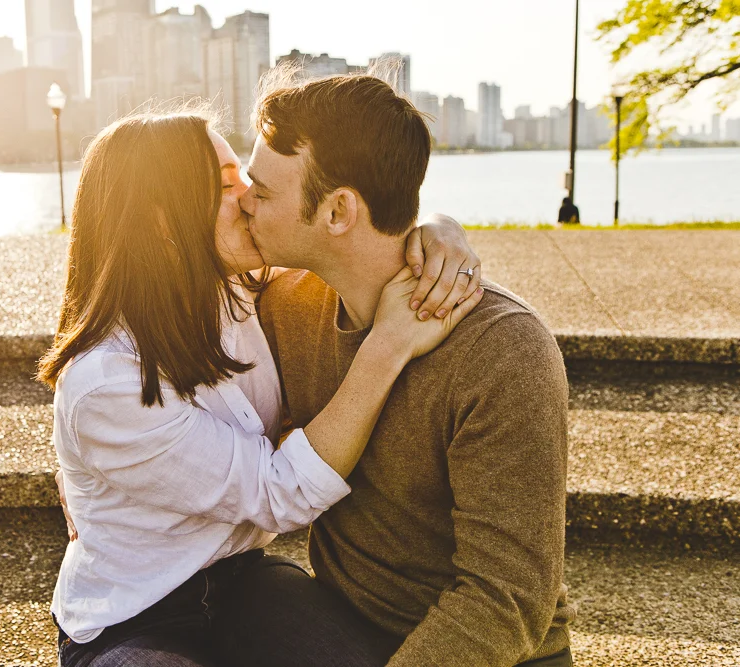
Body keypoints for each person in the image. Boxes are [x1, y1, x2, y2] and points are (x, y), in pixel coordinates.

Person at [39, 110, 484, 667]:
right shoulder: (107, 383)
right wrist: (389, 345)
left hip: (245, 581)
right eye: (226, 184)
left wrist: (439, 227)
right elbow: (281, 492)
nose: (250, 195)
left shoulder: (240, 286)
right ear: (161, 222)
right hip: (135, 610)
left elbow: (349, 243)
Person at [211, 74, 575, 666]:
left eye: (262, 189)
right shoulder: (286, 307)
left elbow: (504, 601)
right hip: (345, 623)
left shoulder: (504, 352)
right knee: (249, 591)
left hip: (489, 652)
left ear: (337, 211)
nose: (245, 200)